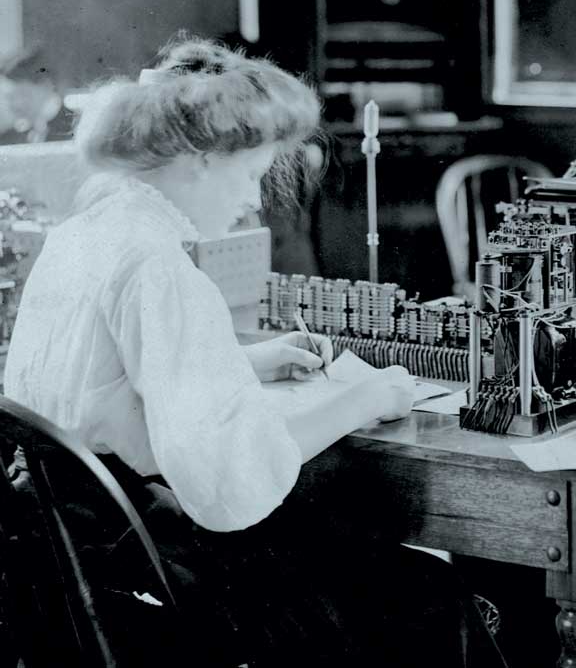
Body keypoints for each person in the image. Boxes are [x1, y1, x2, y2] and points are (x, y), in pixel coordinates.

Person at [2, 37, 506, 667]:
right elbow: (227, 479)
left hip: (78, 555)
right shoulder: (161, 269)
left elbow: (89, 388)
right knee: (432, 594)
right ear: (199, 160)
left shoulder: (82, 236)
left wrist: (244, 361)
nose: (252, 201)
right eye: (251, 174)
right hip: (163, 563)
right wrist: (363, 397)